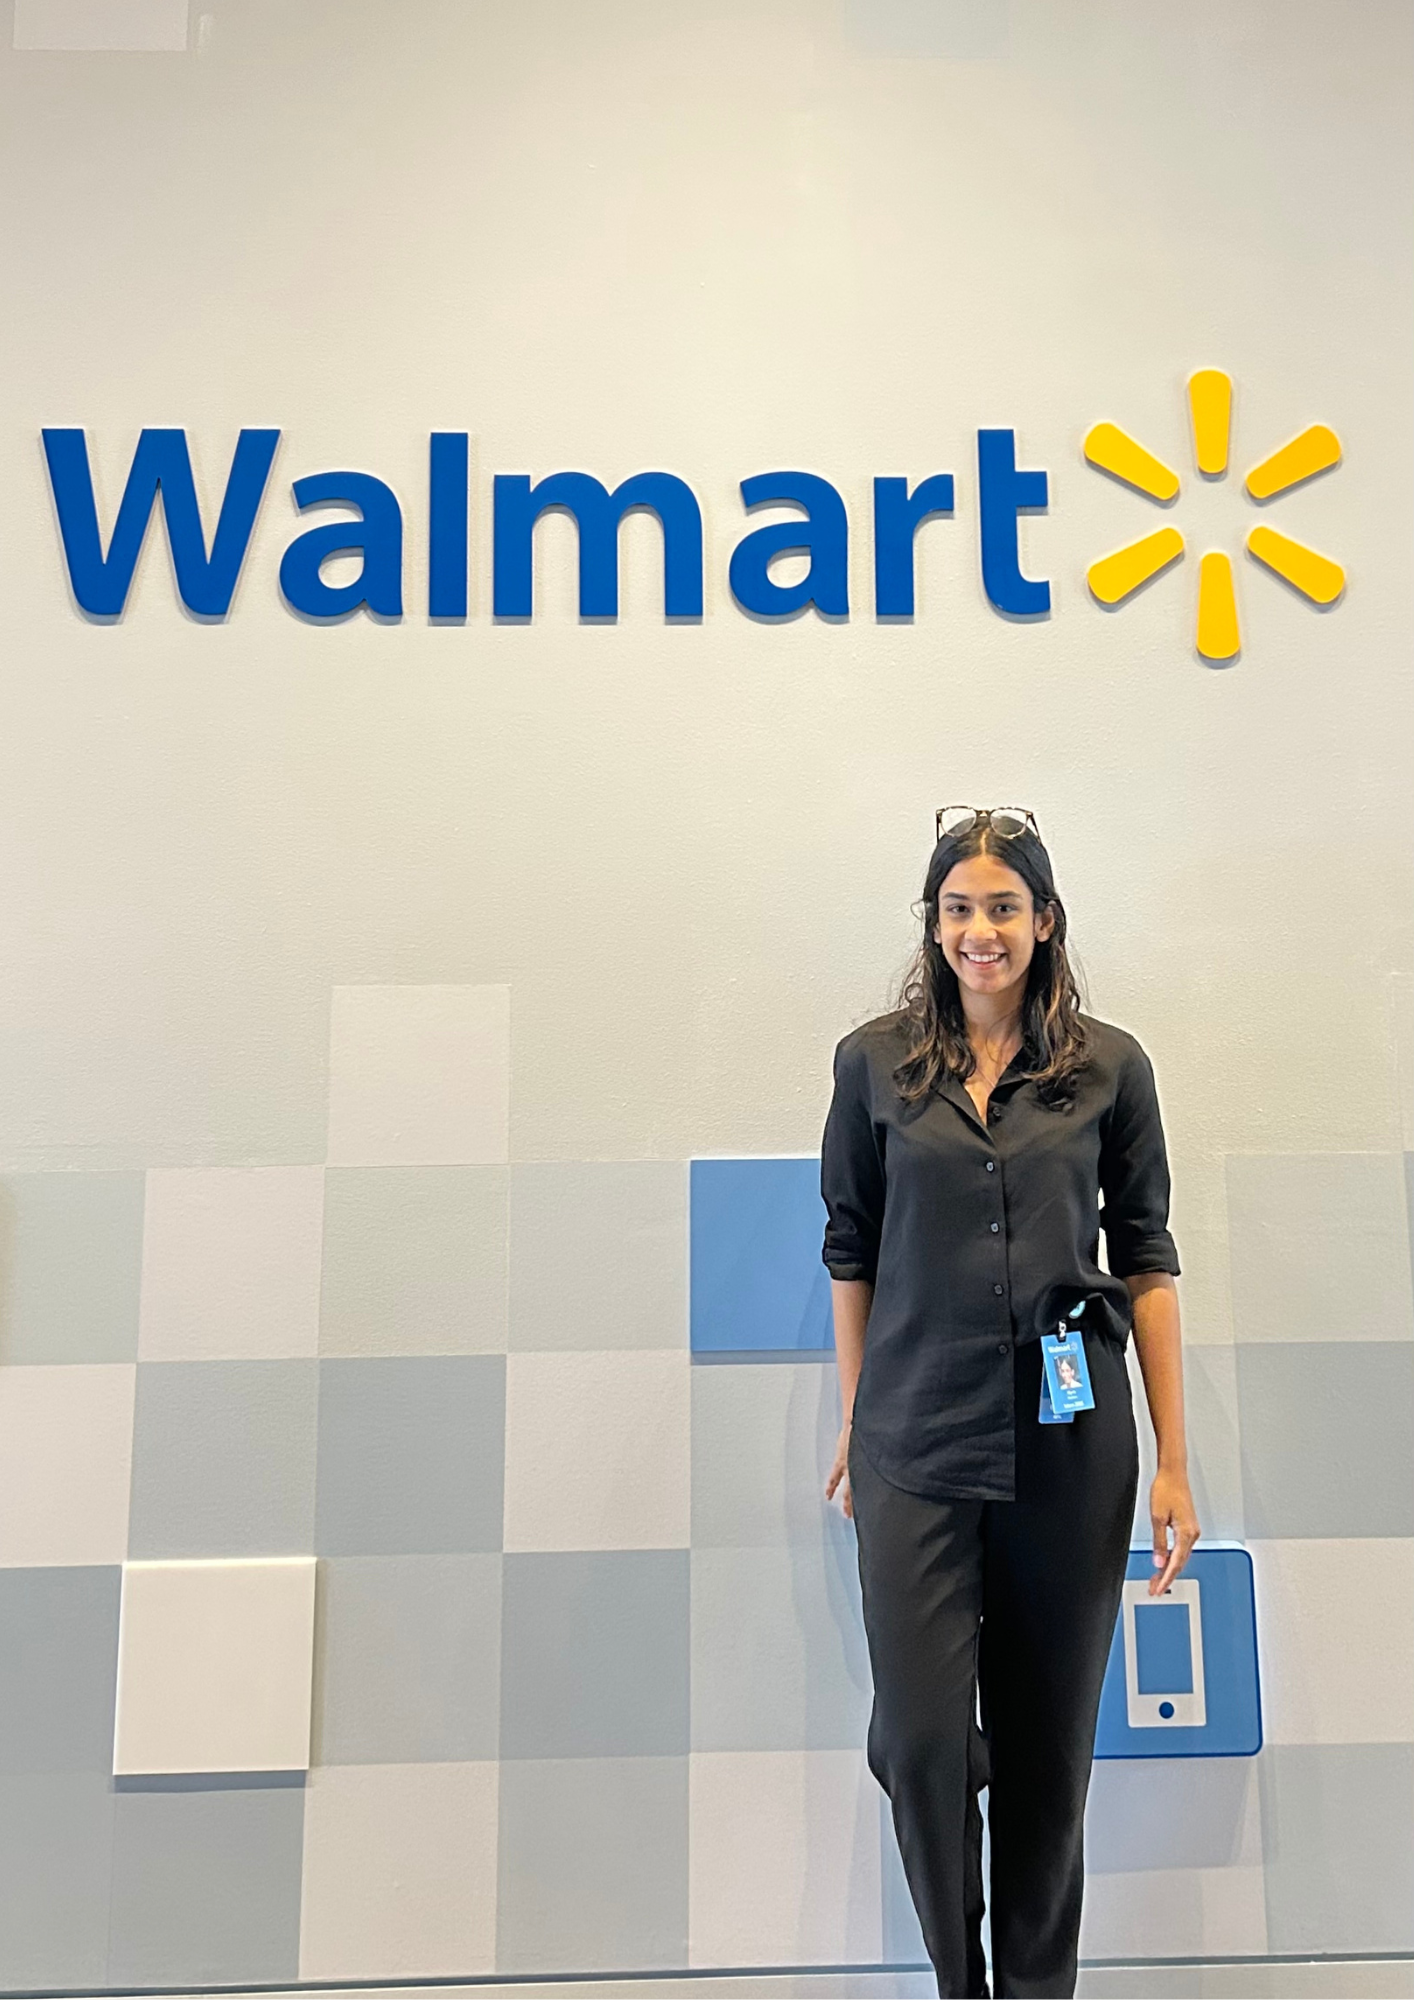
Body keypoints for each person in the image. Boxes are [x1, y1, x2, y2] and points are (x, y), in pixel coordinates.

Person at [820, 806, 1199, 2000]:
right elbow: (851, 1250)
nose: (979, 931)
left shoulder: (1111, 1067)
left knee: (1046, 1761)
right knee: (925, 1742)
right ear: (931, 927)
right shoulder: (871, 1063)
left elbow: (1147, 1259)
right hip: (912, 1444)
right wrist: (852, 1414)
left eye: (1002, 906)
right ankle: (959, 1982)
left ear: (1043, 920)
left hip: (1070, 1449)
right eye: (957, 909)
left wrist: (1176, 1463)